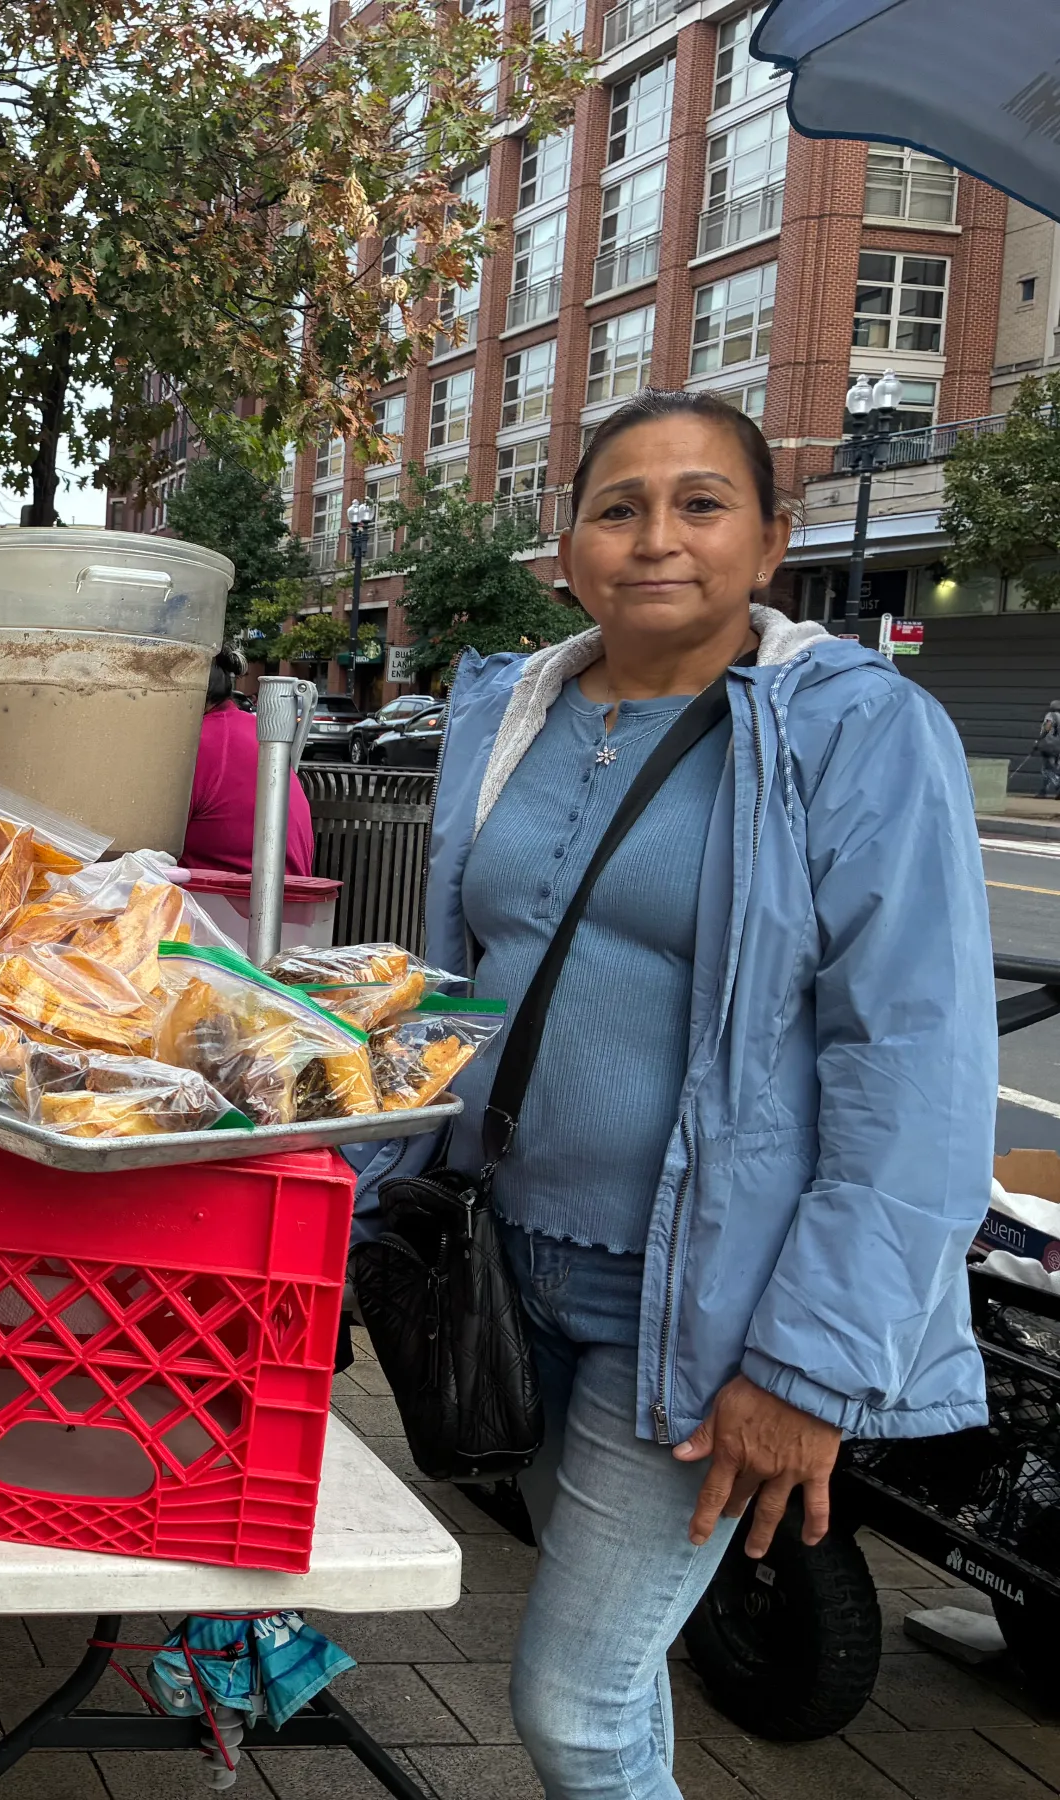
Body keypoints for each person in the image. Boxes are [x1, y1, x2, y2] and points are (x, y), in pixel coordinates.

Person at [353, 389, 992, 1799]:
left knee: (574, 1704)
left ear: (770, 544)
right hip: (502, 1278)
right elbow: (469, 984)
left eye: (702, 504)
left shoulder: (858, 733)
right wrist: (343, 1169)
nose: (657, 537)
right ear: (569, 542)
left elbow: (915, 1067)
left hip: (699, 1313)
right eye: (618, 505)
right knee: (617, 1681)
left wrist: (811, 1367)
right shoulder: (509, 711)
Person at [181, 648, 314, 877]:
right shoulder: (251, 730)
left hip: (228, 905)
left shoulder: (195, 744)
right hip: (281, 902)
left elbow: (137, 845)